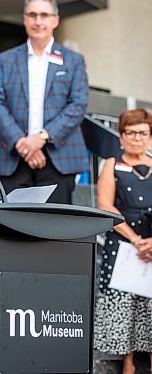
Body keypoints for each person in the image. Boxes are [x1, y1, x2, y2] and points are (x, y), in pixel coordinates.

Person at [0, 0, 89, 204]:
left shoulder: (73, 61)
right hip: (14, 156)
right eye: (32, 15)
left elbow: (78, 104)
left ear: (55, 20)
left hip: (59, 157)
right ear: (24, 20)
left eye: (44, 15)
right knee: (13, 227)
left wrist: (41, 138)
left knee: (55, 229)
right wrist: (22, 143)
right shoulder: (5, 60)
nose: (38, 21)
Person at [94, 108, 152, 374]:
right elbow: (105, 205)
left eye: (142, 133)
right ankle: (128, 365)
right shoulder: (111, 164)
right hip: (123, 248)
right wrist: (136, 240)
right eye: (130, 132)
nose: (136, 138)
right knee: (126, 319)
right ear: (121, 137)